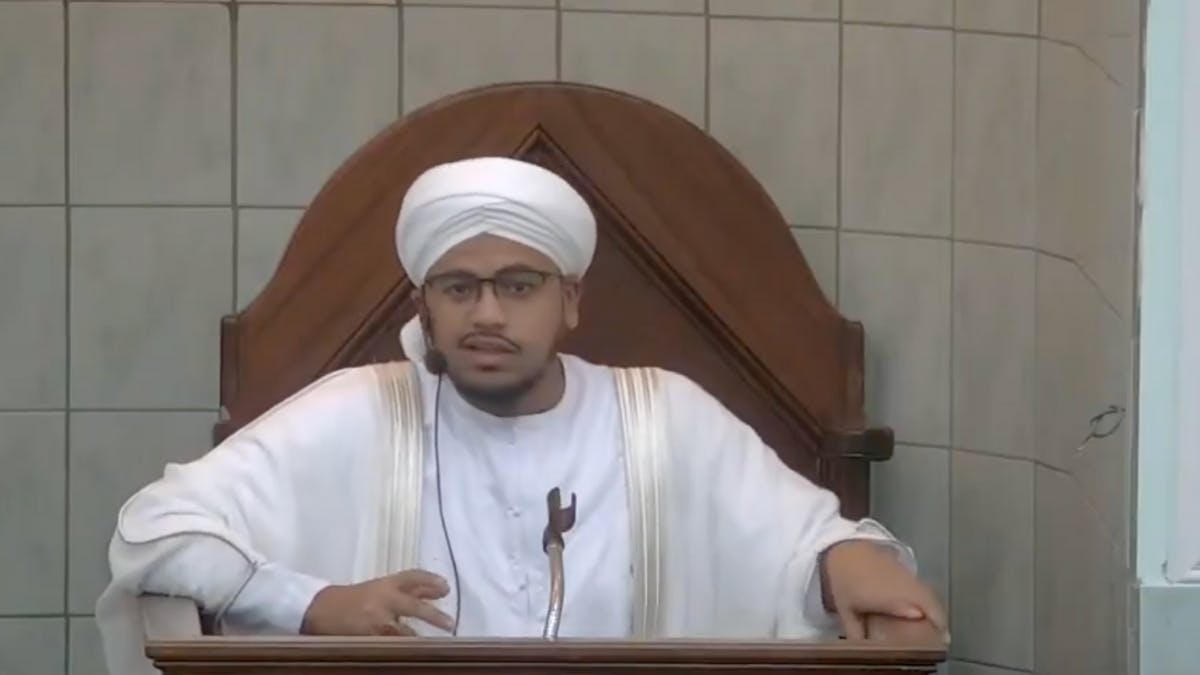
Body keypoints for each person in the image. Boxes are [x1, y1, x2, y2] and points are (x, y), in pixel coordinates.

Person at [95, 157, 946, 675]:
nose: (488, 314)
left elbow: (801, 543)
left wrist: (840, 560)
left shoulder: (662, 418)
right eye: (459, 287)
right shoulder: (363, 410)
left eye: (518, 284)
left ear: (570, 300)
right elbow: (152, 532)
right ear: (425, 307)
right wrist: (312, 603)